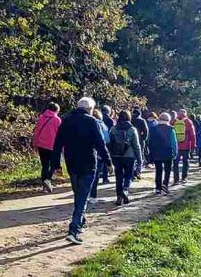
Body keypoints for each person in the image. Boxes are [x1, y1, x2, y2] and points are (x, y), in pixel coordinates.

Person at [51, 97, 110, 245]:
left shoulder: (66, 121)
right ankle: (74, 230)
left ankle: (81, 221)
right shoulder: (92, 121)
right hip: (88, 163)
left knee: (79, 194)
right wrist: (108, 162)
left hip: (71, 163)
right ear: (90, 109)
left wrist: (56, 165)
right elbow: (100, 144)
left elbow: (57, 144)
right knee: (82, 198)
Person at [108, 110, 142, 205]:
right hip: (129, 156)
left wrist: (109, 157)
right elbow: (136, 145)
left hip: (116, 156)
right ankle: (125, 190)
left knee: (118, 176)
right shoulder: (132, 129)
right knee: (128, 175)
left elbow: (109, 143)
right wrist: (140, 159)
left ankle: (119, 197)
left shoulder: (113, 129)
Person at [31, 102, 62, 192]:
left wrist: (35, 143)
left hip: (41, 145)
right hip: (53, 146)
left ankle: (44, 185)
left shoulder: (41, 118)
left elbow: (37, 131)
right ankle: (48, 180)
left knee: (45, 165)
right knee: (53, 164)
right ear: (56, 110)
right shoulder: (57, 120)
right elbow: (60, 134)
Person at [147, 113, 177, 194]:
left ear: (159, 119)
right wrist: (175, 153)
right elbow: (174, 143)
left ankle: (158, 188)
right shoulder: (171, 129)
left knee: (158, 171)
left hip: (156, 152)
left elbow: (148, 140)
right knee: (167, 170)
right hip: (168, 152)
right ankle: (165, 184)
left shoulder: (153, 129)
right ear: (168, 120)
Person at [175, 110, 195, 185]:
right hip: (186, 146)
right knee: (185, 162)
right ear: (185, 114)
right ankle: (184, 178)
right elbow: (192, 135)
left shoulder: (174, 121)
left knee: (175, 162)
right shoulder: (188, 122)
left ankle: (176, 179)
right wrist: (193, 145)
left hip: (176, 145)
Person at [131, 108, 149, 179]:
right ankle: (138, 171)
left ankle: (132, 172)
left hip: (131, 141)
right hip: (140, 141)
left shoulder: (130, 120)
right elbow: (146, 131)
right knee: (140, 156)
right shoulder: (142, 120)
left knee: (132, 157)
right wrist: (143, 138)